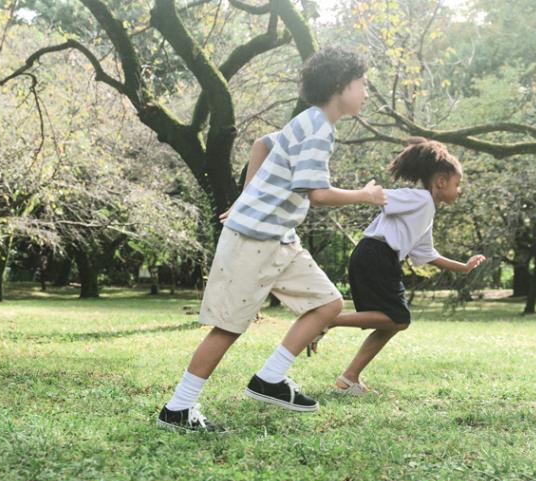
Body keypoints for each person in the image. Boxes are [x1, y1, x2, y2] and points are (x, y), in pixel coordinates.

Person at [157, 46, 386, 432]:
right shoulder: (317, 129)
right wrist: (365, 195)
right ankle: (178, 408)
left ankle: (270, 379)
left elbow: (262, 143)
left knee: (327, 303)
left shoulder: (307, 121)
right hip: (253, 239)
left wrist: (248, 199)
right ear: (340, 86)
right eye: (362, 83)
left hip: (278, 237)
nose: (366, 91)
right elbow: (317, 193)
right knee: (229, 326)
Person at [312, 138, 486, 395]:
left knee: (393, 322)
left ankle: (348, 379)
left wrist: (463, 267)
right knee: (398, 318)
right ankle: (328, 321)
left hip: (378, 257)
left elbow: (426, 253)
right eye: (457, 184)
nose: (458, 190)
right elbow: (382, 197)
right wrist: (366, 194)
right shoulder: (420, 199)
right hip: (376, 255)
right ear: (441, 181)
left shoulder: (426, 209)